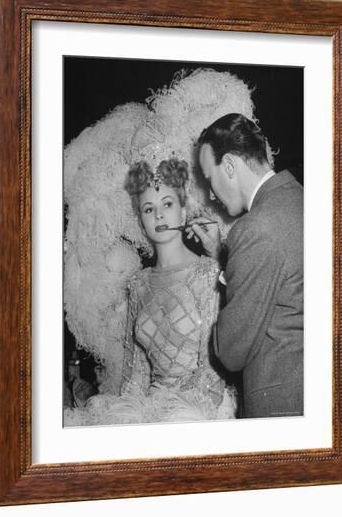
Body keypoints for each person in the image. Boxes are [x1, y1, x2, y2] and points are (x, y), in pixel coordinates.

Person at [68, 158, 237, 425]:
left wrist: (166, 413)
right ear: (142, 221)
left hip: (199, 412)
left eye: (167, 204)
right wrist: (134, 414)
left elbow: (211, 373)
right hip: (149, 408)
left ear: (182, 213)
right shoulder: (138, 284)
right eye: (149, 209)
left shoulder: (207, 273)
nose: (158, 215)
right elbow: (136, 373)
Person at [188, 113, 303, 419]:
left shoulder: (254, 229)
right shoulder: (301, 201)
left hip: (282, 411)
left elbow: (231, 351)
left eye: (210, 179)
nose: (211, 194)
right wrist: (219, 253)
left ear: (229, 166)